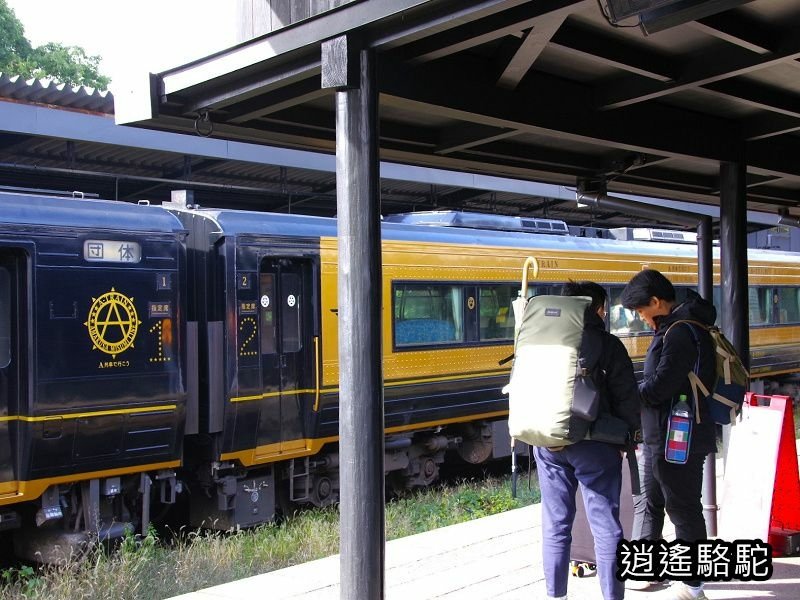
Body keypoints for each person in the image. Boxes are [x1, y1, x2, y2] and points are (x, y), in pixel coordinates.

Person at [534, 281, 641, 600]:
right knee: (606, 525)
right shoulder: (608, 345)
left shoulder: (540, 339)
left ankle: (557, 596)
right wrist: (629, 437)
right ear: (598, 308)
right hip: (596, 444)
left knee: (556, 523)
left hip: (548, 441)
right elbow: (627, 399)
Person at [620, 269, 717, 600]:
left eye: (641, 311)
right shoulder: (679, 328)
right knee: (651, 500)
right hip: (661, 436)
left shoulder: (679, 333)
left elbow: (662, 387)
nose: (641, 318)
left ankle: (693, 585)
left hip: (678, 438)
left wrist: (627, 393)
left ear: (656, 302)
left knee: (683, 506)